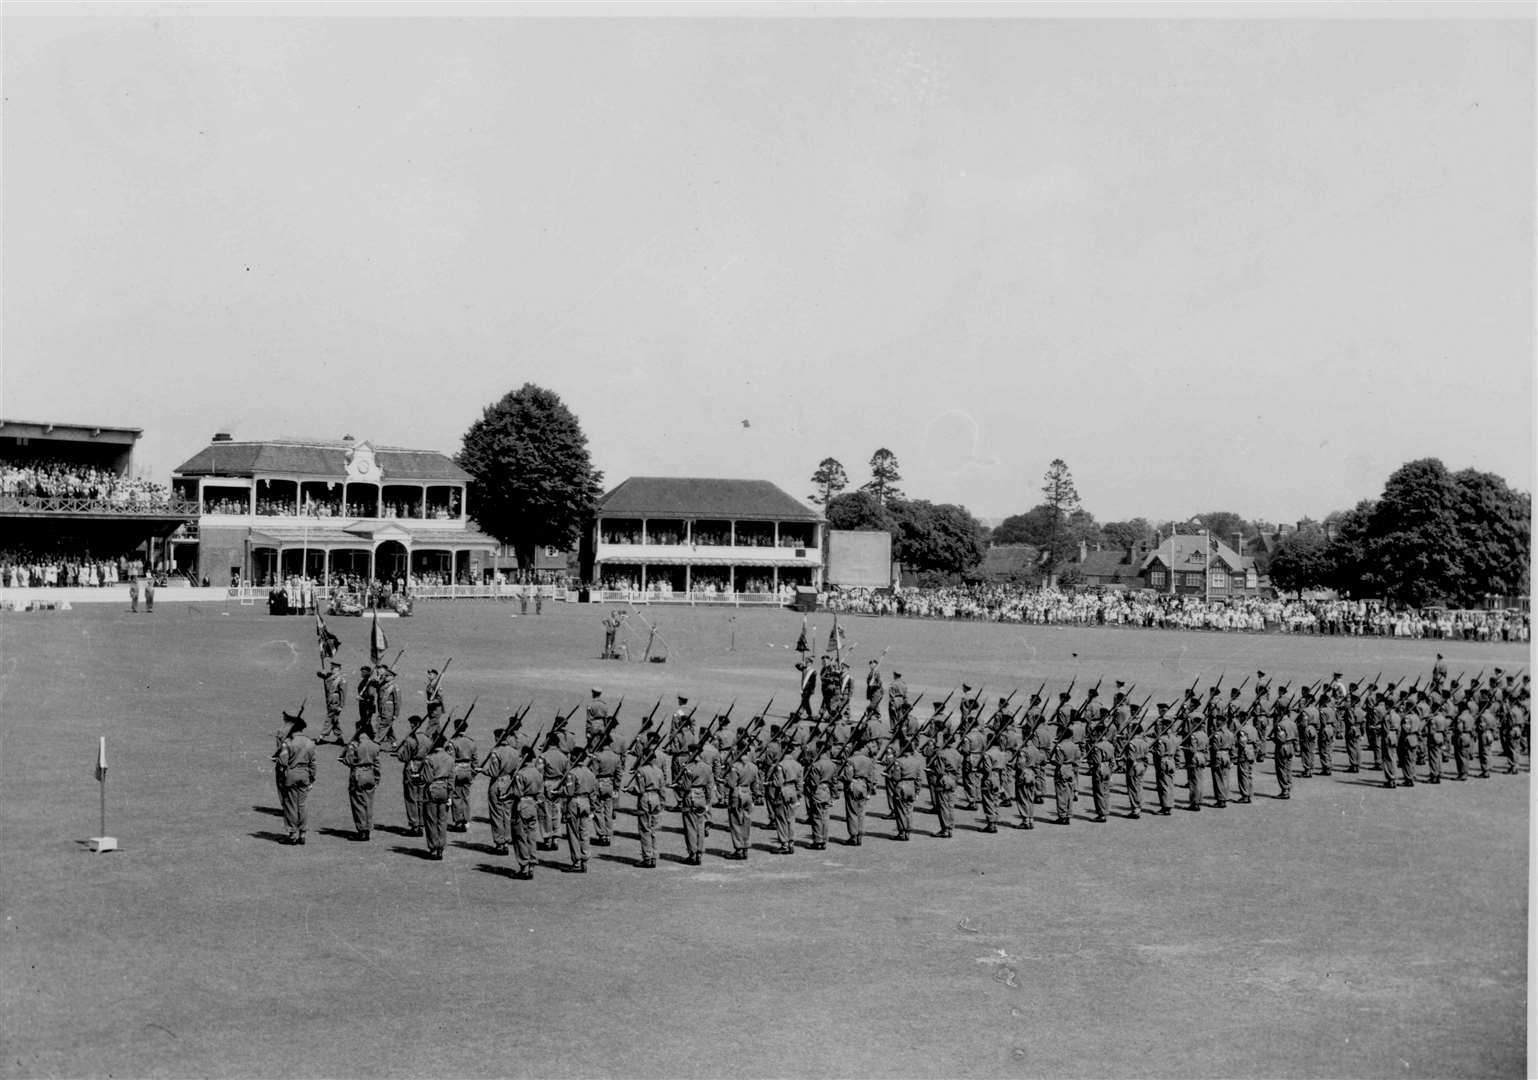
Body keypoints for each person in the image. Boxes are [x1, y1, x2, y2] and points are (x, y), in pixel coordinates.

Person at [273, 710, 315, 844]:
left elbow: (283, 761)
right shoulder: (310, 742)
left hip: (291, 775)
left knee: (291, 805)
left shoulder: (288, 742)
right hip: (305, 775)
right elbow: (313, 763)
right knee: (302, 805)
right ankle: (303, 833)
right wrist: (311, 778)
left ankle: (292, 835)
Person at [479, 727, 520, 856]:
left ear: (497, 738)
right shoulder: (515, 752)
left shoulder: (496, 752)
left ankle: (499, 843)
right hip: (509, 782)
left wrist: (482, 770)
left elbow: (493, 772)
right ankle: (507, 840)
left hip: (497, 783)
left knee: (496, 814)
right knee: (507, 813)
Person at [339, 718, 380, 841]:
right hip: (371, 773)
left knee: (358, 803)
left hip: (358, 774)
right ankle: (368, 827)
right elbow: (377, 764)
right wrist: (377, 779)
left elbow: (349, 760)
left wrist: (344, 759)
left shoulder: (355, 744)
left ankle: (362, 830)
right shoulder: (374, 745)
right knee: (369, 802)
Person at [508, 743, 543, 878]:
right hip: (533, 805)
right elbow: (540, 792)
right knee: (531, 837)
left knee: (520, 837)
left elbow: (517, 793)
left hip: (521, 805)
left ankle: (524, 867)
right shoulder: (537, 773)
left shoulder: (520, 774)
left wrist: (507, 795)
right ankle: (532, 864)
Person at [723, 744, 763, 859]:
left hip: (737, 793)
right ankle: (745, 847)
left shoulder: (735, 766)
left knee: (736, 822)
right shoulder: (753, 766)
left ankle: (739, 849)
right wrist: (756, 795)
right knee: (746, 821)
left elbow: (731, 784)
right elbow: (756, 784)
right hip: (748, 793)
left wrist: (725, 778)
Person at [632, 739, 667, 868]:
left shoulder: (641, 770)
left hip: (645, 798)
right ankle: (653, 856)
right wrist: (662, 803)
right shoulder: (659, 771)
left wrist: (630, 790)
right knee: (653, 829)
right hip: (656, 798)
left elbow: (639, 789)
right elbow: (662, 789)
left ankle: (647, 857)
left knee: (644, 829)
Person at [562, 746, 597, 872]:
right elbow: (593, 793)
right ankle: (585, 858)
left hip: (574, 802)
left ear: (576, 757)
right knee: (584, 832)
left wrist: (559, 791)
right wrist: (592, 808)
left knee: (573, 832)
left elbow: (569, 792)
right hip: (586, 802)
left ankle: (576, 861)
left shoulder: (572, 773)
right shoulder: (590, 773)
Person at [677, 746, 713, 865]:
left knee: (690, 827)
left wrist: (680, 783)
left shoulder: (689, 767)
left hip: (690, 797)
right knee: (700, 827)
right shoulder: (707, 767)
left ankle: (692, 854)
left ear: (691, 753)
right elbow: (709, 786)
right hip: (701, 797)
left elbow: (686, 787)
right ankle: (699, 853)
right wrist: (708, 801)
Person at [421, 732, 455, 859]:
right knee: (442, 820)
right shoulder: (450, 758)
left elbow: (428, 778)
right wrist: (450, 795)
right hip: (444, 789)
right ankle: (441, 846)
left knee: (431, 820)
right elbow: (452, 779)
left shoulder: (430, 758)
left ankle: (433, 847)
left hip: (432, 789)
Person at [767, 743, 803, 854]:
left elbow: (778, 782)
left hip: (783, 791)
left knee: (781, 818)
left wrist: (769, 783)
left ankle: (784, 844)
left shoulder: (780, 765)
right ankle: (791, 842)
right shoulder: (798, 765)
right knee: (791, 818)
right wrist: (798, 794)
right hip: (793, 791)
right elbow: (800, 782)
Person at [537, 729, 570, 851]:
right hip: (559, 784)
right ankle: (556, 836)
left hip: (547, 784)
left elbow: (539, 774)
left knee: (545, 812)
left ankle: (548, 838)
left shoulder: (543, 756)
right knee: (557, 811)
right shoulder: (563, 756)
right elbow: (567, 773)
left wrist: (539, 791)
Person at [839, 738, 876, 846]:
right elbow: (871, 777)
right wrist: (869, 790)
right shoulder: (869, 760)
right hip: (864, 786)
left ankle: (853, 836)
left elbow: (848, 776)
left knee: (852, 812)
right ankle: (860, 834)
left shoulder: (851, 760)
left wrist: (840, 777)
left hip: (853, 785)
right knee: (861, 812)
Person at [395, 715, 427, 836]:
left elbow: (405, 757)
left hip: (412, 767)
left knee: (411, 796)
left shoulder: (411, 740)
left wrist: (399, 755)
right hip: (423, 767)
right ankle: (421, 824)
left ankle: (414, 824)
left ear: (413, 725)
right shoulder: (427, 738)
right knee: (421, 796)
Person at [803, 739, 838, 850]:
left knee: (817, 816)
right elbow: (834, 781)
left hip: (818, 791)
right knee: (825, 816)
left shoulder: (816, 765)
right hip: (827, 790)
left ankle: (818, 841)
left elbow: (814, 782)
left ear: (818, 749)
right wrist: (834, 794)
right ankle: (824, 840)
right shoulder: (832, 764)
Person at [589, 736, 623, 847]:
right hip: (610, 784)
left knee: (598, 809)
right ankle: (608, 834)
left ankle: (601, 834)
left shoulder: (597, 756)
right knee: (608, 810)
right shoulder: (616, 757)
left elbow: (593, 773)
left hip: (599, 783)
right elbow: (619, 774)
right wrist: (616, 787)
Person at [887, 738, 924, 841]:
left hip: (901, 785)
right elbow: (919, 778)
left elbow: (896, 777)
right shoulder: (916, 761)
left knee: (900, 810)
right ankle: (908, 830)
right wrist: (917, 791)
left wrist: (888, 776)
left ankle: (902, 832)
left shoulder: (899, 761)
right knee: (909, 809)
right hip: (912, 786)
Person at [1013, 730, 1047, 828]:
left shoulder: (1024, 750)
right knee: (1030, 798)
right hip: (1032, 773)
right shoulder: (1036, 750)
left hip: (1024, 774)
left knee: (1022, 798)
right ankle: (1030, 819)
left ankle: (1025, 821)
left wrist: (1013, 765)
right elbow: (1041, 760)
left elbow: (1020, 765)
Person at [448, 717, 477, 832]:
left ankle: (458, 820)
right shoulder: (471, 741)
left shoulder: (453, 742)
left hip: (457, 770)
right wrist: (473, 772)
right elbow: (475, 760)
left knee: (456, 796)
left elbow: (451, 760)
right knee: (466, 796)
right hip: (468, 770)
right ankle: (466, 819)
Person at [980, 736, 1012, 832]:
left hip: (990, 777)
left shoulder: (988, 753)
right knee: (995, 800)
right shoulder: (1002, 754)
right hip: (998, 777)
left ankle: (991, 824)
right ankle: (995, 821)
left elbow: (987, 769)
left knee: (988, 800)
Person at [1049, 731, 1081, 825]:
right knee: (1070, 794)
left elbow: (1059, 762)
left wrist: (1051, 762)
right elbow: (1077, 759)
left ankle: (1062, 816)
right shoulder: (1075, 746)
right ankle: (1068, 815)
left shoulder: (1060, 746)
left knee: (1061, 794)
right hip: (1071, 769)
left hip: (1062, 770)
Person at [1151, 705, 1177, 815]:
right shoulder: (1174, 737)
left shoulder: (1162, 739)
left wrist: (1152, 750)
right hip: (1171, 761)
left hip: (1163, 761)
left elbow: (1160, 753)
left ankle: (1166, 807)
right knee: (1169, 784)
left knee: (1163, 785)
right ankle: (1169, 804)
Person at [1122, 724, 1149, 819]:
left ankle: (1135, 809)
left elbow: (1131, 757)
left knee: (1133, 787)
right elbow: (1146, 756)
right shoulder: (1144, 742)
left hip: (1134, 765)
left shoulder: (1132, 743)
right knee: (1139, 786)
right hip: (1142, 764)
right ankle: (1139, 805)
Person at [1271, 703, 1296, 799]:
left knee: (1281, 768)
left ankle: (1285, 790)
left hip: (1282, 747)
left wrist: (1273, 739)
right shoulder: (1292, 723)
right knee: (1288, 768)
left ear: (1282, 712)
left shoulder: (1280, 724)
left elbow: (1280, 739)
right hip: (1291, 746)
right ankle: (1288, 786)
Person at [318, 661, 347, 745]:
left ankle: (321, 737)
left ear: (338, 669)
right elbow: (320, 675)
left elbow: (343, 693)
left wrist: (341, 706)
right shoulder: (330, 676)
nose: (332, 669)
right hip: (330, 700)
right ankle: (340, 738)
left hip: (335, 702)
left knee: (330, 718)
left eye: (334, 668)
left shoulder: (341, 679)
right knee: (334, 720)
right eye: (331, 668)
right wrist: (321, 672)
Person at [1184, 718, 1209, 811]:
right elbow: (1207, 748)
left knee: (1194, 782)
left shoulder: (1193, 735)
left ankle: (1195, 802)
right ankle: (1199, 799)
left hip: (1195, 757)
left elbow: (1192, 749)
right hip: (1202, 757)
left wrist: (1184, 748)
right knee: (1199, 780)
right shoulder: (1205, 735)